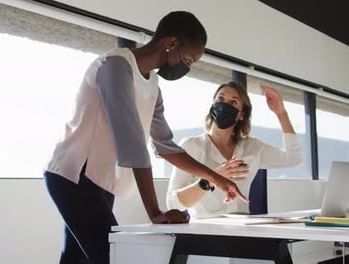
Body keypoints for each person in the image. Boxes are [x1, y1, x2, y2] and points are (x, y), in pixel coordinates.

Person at [43, 11, 247, 264]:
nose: (188, 66)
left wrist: (218, 178)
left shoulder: (152, 87)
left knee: (76, 258)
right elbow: (132, 143)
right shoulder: (116, 66)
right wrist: (155, 212)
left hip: (100, 180)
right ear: (171, 43)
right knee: (114, 256)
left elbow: (165, 146)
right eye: (189, 59)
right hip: (73, 175)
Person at [166, 81, 302, 218]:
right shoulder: (192, 146)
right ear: (212, 106)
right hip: (205, 231)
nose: (224, 105)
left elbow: (294, 158)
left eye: (233, 102)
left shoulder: (253, 147)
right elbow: (173, 204)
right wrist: (212, 178)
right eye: (220, 99)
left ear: (242, 114)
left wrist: (281, 113)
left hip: (243, 230)